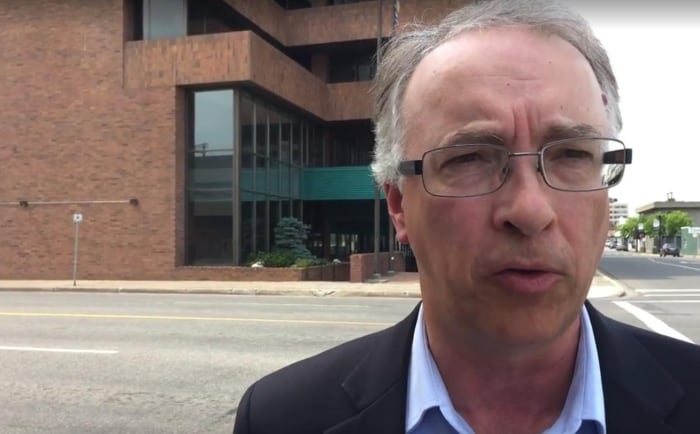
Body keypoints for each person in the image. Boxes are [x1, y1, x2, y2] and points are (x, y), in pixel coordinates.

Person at [233, 1, 700, 433]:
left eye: (573, 154)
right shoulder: (282, 418)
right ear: (399, 205)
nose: (530, 211)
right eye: (470, 158)